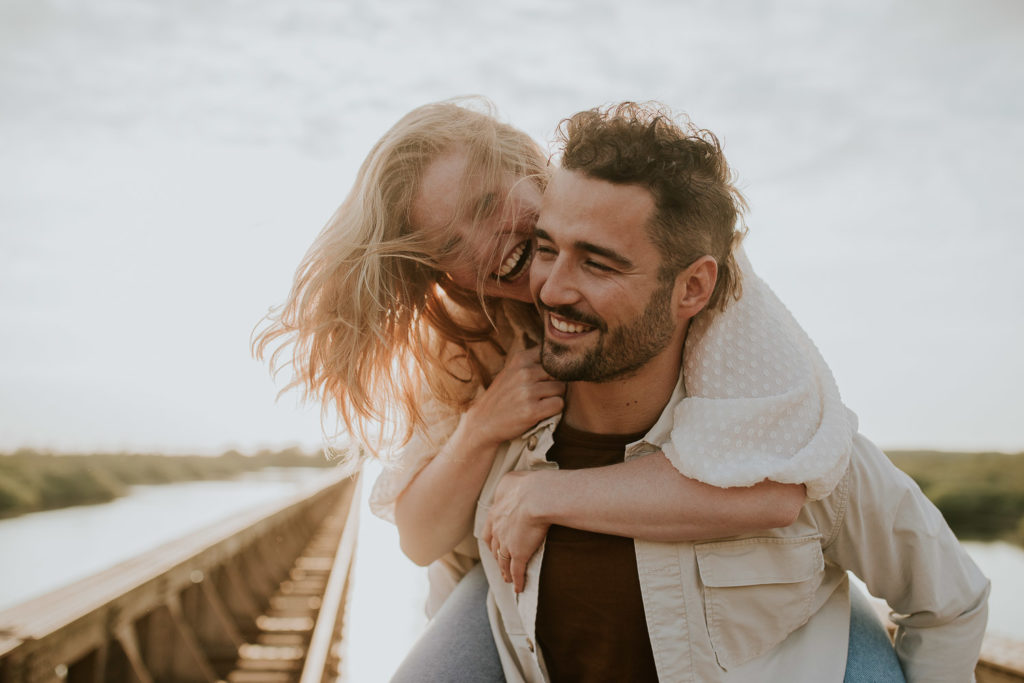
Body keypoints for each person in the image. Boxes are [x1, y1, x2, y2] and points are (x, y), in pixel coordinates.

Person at [251, 98, 885, 680]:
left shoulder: (672, 267)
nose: (487, 246)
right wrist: (484, 426)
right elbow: (420, 539)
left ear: (535, 171)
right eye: (450, 245)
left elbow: (772, 485)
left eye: (484, 206)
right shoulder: (463, 342)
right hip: (506, 599)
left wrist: (544, 496)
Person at [469, 102, 989, 682]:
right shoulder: (501, 449)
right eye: (546, 249)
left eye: (599, 265)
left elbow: (951, 603)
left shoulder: (794, 451)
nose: (553, 289)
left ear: (693, 287)